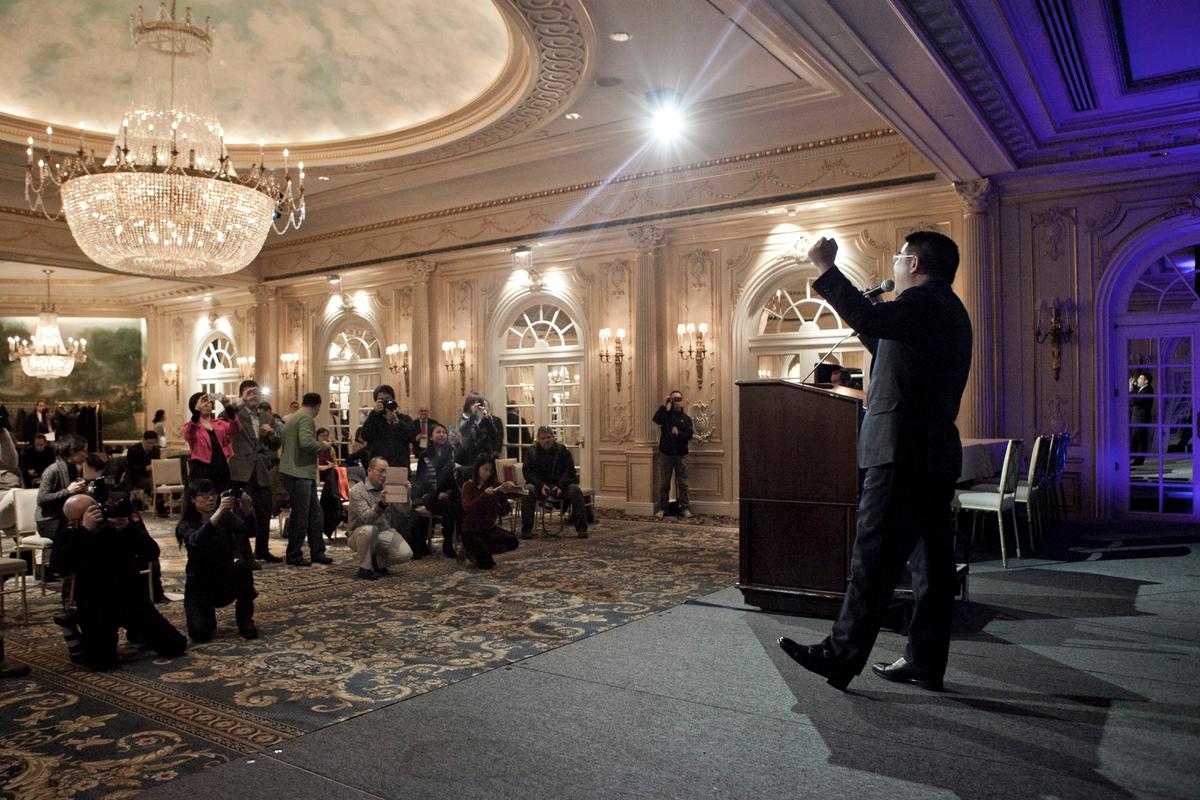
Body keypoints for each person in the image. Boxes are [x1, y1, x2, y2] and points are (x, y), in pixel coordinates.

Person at [777, 231, 972, 693]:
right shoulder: (944, 309)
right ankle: (925, 660)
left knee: (873, 558)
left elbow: (872, 316)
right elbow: (892, 347)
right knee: (931, 567)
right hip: (930, 453)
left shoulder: (923, 302)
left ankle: (840, 654)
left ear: (917, 263)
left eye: (900, 257)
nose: (897, 265)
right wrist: (866, 319)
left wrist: (827, 268)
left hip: (901, 452)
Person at [52, 494, 187, 671]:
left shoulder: (114, 526)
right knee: (101, 663)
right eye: (86, 514)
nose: (94, 516)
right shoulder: (71, 534)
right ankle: (74, 624)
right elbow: (60, 566)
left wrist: (128, 528)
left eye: (93, 510)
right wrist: (85, 531)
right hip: (95, 603)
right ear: (73, 521)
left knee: (175, 646)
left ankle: (137, 632)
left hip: (131, 599)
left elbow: (151, 553)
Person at [175, 480, 260, 642]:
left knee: (243, 567)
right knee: (200, 633)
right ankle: (206, 615)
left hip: (225, 578)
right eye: (204, 495)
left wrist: (248, 512)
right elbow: (197, 540)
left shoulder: (225, 516)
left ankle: (245, 620)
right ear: (192, 499)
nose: (210, 499)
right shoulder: (186, 524)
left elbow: (248, 532)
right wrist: (219, 513)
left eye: (213, 495)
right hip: (200, 585)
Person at [221, 380, 284, 563]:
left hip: (262, 469)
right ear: (242, 395)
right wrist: (239, 403)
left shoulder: (267, 417)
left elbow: (276, 444)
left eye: (256, 392)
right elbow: (222, 416)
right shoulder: (235, 415)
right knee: (241, 513)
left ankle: (262, 550)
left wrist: (271, 433)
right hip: (241, 468)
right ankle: (244, 555)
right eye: (249, 393)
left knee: (265, 511)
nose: (254, 395)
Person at [280, 392, 334, 567]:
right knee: (302, 516)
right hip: (300, 473)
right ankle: (295, 555)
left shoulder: (293, 418)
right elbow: (306, 443)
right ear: (317, 406)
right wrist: (323, 445)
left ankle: (317, 551)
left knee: (314, 514)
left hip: (295, 471)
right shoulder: (306, 419)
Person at [346, 457, 414, 580]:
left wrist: (406, 495)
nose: (384, 475)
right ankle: (365, 568)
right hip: (359, 533)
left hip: (383, 530)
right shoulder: (357, 491)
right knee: (368, 530)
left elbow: (405, 511)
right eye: (381, 471)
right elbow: (367, 518)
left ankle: (377, 562)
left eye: (387, 472)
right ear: (370, 471)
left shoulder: (387, 487)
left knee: (406, 554)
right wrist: (381, 504)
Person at [521, 426, 587, 538]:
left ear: (553, 437)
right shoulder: (531, 452)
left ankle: (582, 529)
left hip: (560, 484)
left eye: (548, 437)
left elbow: (570, 471)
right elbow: (527, 473)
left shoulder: (562, 450)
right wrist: (540, 485)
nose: (546, 440)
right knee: (528, 490)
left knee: (575, 490)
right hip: (539, 485)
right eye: (543, 438)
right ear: (538, 439)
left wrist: (560, 486)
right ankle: (526, 530)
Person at [459, 455, 520, 569]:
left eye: (490, 470)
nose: (488, 473)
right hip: (471, 530)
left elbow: (504, 510)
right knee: (487, 565)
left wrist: (507, 491)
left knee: (513, 542)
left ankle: (481, 550)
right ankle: (469, 550)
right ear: (477, 469)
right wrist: (484, 495)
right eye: (485, 469)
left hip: (488, 528)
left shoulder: (494, 485)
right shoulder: (468, 485)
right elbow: (467, 507)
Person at [412, 424, 461, 558]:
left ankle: (454, 542)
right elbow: (422, 480)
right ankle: (447, 545)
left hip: (448, 493)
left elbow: (453, 478)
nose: (441, 435)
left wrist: (448, 492)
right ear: (431, 437)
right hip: (431, 496)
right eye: (438, 432)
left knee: (455, 505)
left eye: (444, 432)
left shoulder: (450, 452)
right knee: (449, 508)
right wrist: (437, 494)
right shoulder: (425, 455)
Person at [36, 434, 89, 545]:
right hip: (49, 521)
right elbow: (41, 499)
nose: (86, 455)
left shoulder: (75, 469)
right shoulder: (52, 470)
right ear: (72, 452)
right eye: (83, 451)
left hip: (67, 518)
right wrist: (68, 491)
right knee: (73, 536)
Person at [183, 391, 240, 493]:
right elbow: (188, 435)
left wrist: (227, 405)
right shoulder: (191, 426)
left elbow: (235, 428)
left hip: (221, 467)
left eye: (208, 401)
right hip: (202, 468)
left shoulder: (219, 423)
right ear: (194, 407)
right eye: (202, 402)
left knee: (225, 499)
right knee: (204, 499)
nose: (206, 404)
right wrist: (197, 411)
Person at [652, 390, 695, 519]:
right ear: (671, 400)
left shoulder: (686, 419)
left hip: (681, 454)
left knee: (683, 483)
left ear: (682, 401)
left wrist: (679, 433)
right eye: (674, 399)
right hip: (666, 453)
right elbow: (656, 419)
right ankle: (662, 508)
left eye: (679, 399)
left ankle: (685, 508)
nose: (677, 401)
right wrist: (664, 404)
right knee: (664, 483)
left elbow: (689, 435)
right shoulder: (665, 415)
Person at [362, 384, 416, 472]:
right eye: (381, 400)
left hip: (400, 466)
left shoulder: (404, 418)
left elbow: (412, 437)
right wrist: (373, 414)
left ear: (393, 400)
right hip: (379, 469)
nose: (385, 403)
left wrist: (396, 421)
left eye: (388, 399)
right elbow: (365, 435)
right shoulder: (374, 419)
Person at [456, 393, 504, 467]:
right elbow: (465, 431)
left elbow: (494, 435)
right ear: (469, 405)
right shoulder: (464, 418)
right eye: (475, 404)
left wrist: (488, 419)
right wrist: (473, 414)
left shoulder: (484, 418)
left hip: (485, 456)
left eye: (480, 405)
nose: (478, 407)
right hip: (470, 457)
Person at [316, 427, 343, 540]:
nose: (325, 438)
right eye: (322, 436)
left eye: (326, 436)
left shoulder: (331, 449)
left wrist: (331, 466)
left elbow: (335, 464)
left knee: (334, 472)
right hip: (318, 473)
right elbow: (315, 467)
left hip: (329, 473)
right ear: (317, 437)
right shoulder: (316, 449)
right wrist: (327, 466)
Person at [123, 430, 161, 497]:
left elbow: (157, 462)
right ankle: (155, 499)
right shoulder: (133, 449)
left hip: (151, 475)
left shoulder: (156, 450)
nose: (151, 445)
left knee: (160, 481)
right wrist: (145, 468)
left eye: (153, 443)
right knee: (151, 482)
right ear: (143, 440)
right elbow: (130, 466)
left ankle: (158, 500)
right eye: (149, 443)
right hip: (136, 476)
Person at [1129, 371, 1154, 466]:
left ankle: (1139, 460)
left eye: (1140, 378)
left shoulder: (1148, 390)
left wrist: (1131, 390)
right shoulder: (1141, 389)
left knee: (1141, 440)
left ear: (1146, 381)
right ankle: (1133, 458)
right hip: (1136, 419)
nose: (1138, 380)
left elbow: (1136, 401)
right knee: (1135, 439)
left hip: (1142, 419)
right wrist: (1132, 387)